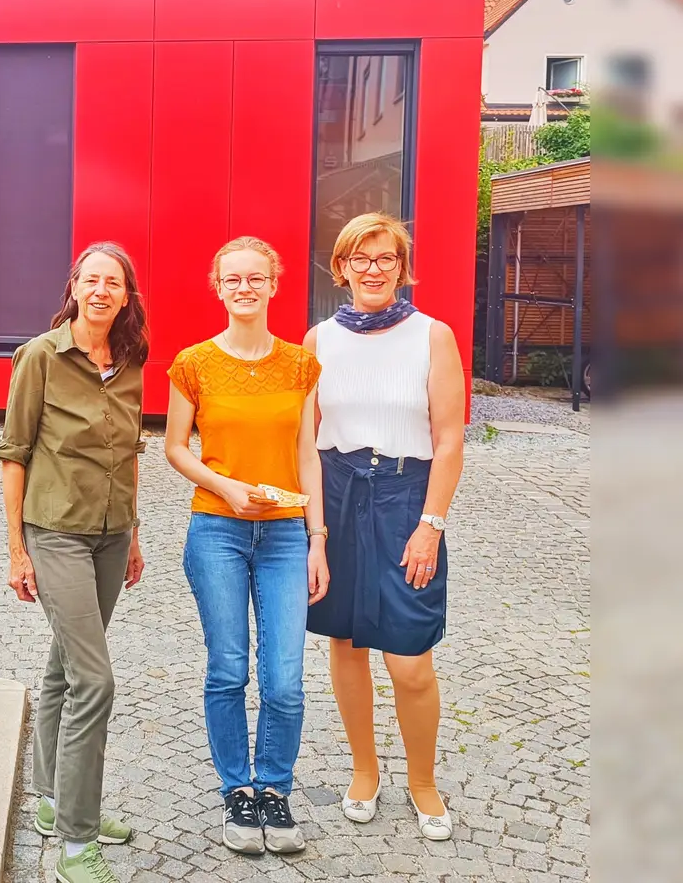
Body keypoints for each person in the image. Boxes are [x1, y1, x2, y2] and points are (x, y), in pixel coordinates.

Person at [163, 236, 328, 856]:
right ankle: (237, 789)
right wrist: (226, 488)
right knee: (228, 668)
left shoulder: (300, 366)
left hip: (287, 534)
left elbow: (308, 454)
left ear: (274, 285)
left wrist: (318, 538)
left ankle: (275, 790)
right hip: (217, 531)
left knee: (284, 678)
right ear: (218, 286)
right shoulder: (194, 364)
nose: (244, 288)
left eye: (255, 278)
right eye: (232, 279)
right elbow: (176, 447)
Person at [303, 212, 466, 841]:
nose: (373, 270)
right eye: (361, 259)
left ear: (402, 268)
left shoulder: (433, 336)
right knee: (345, 642)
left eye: (386, 260)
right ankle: (364, 772)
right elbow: (306, 441)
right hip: (339, 492)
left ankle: (422, 782)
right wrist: (315, 531)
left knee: (410, 661)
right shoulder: (319, 340)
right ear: (341, 268)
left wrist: (431, 523)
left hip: (406, 495)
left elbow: (449, 441)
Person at [0, 242, 147, 883]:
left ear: (126, 295)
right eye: (92, 280)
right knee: (95, 680)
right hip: (55, 531)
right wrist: (16, 549)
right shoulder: (40, 356)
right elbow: (14, 452)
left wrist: (135, 533)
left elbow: (132, 451)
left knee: (64, 667)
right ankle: (78, 843)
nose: (101, 291)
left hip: (112, 535)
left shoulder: (132, 360)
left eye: (113, 282)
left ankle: (54, 802)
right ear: (75, 287)